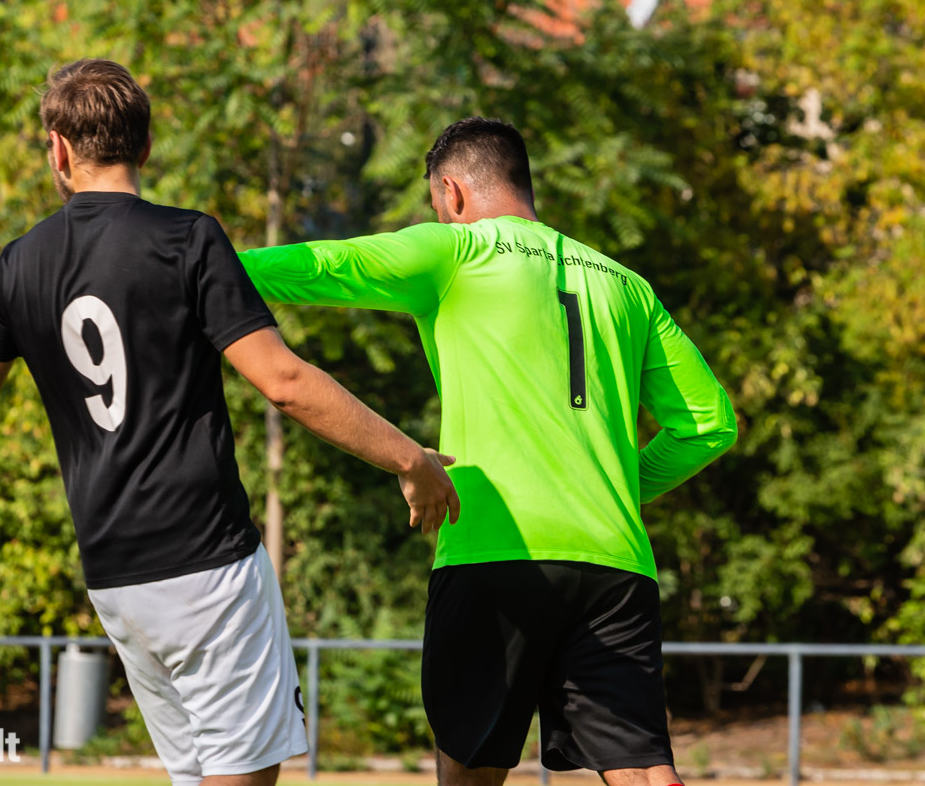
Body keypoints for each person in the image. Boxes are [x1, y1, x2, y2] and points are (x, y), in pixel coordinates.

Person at [0, 59, 458, 786]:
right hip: (205, 560)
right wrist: (408, 457)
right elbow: (284, 383)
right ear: (146, 146)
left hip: (113, 575)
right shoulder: (187, 239)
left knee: (197, 774)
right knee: (242, 774)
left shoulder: (14, 267)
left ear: (58, 149)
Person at [238, 117, 738, 786]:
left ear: (452, 193)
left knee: (470, 775)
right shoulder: (626, 284)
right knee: (645, 772)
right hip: (615, 562)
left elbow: (322, 266)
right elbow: (710, 424)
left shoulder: (456, 251)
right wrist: (613, 486)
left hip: (493, 552)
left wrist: (196, 269)